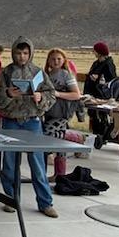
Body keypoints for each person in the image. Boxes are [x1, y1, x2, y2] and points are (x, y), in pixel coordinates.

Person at [0, 41, 59, 218]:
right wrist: (8, 94)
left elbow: (51, 93)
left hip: (32, 121)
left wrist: (41, 97)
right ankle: (11, 198)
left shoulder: (38, 72)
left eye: (25, 53)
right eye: (18, 53)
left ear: (30, 53)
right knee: (9, 163)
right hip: (11, 121)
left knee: (37, 163)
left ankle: (45, 202)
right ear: (13, 53)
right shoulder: (6, 72)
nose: (21, 57)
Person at [41, 47, 84, 180]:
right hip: (48, 112)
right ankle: (59, 174)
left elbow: (76, 94)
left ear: (64, 60)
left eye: (59, 59)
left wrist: (58, 94)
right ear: (48, 60)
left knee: (47, 136)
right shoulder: (45, 75)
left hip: (61, 113)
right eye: (53, 59)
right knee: (59, 142)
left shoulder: (66, 75)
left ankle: (76, 137)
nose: (56, 61)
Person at [83, 41, 118, 146]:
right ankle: (97, 136)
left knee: (101, 116)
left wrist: (98, 80)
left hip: (101, 95)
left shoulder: (108, 64)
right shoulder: (97, 62)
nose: (93, 52)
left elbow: (110, 80)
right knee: (93, 115)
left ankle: (101, 136)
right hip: (92, 93)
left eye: (95, 50)